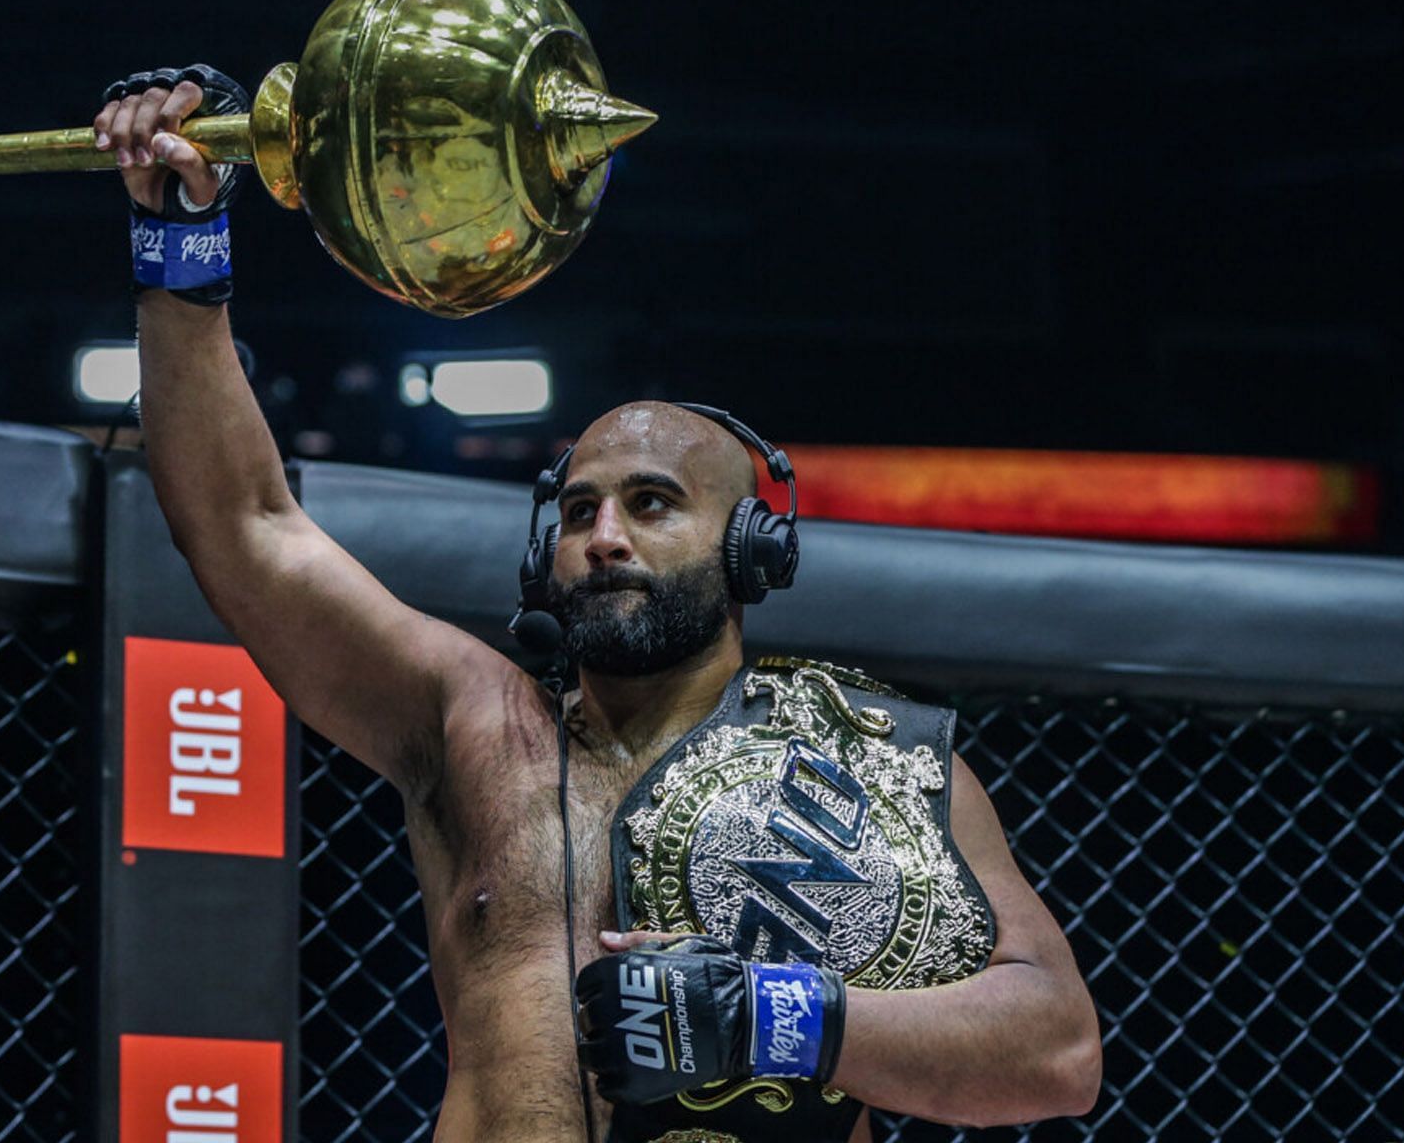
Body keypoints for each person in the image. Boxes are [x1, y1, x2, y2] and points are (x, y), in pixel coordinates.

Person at [95, 66, 1102, 1143]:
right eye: (578, 512)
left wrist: (771, 1017)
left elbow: (1056, 1051)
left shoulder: (871, 764)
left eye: (652, 504)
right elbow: (247, 526)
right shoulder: (471, 723)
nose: (605, 536)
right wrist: (181, 241)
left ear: (748, 548)